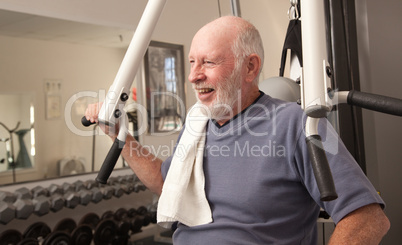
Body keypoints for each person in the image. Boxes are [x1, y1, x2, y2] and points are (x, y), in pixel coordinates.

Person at [85, 16, 390, 244]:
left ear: (250, 67)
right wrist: (119, 136)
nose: (193, 75)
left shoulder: (296, 124)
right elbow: (168, 186)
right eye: (192, 62)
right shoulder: (196, 124)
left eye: (208, 62)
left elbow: (368, 219)